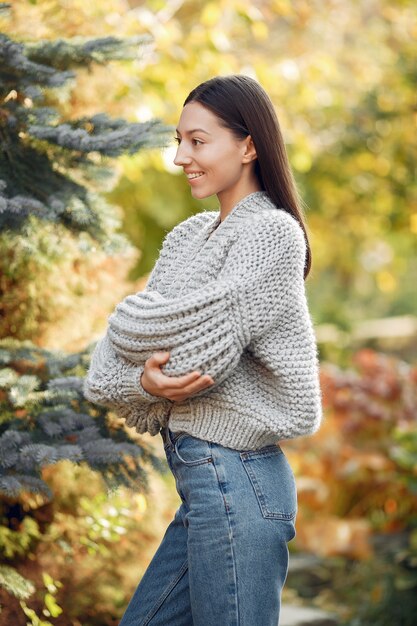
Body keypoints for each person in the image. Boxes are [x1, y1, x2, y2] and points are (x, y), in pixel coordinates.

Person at [83, 74, 322, 626]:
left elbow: (199, 359)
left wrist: (126, 320)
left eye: (197, 141)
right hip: (206, 492)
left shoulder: (273, 234)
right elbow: (103, 372)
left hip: (239, 482)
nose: (180, 157)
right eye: (178, 140)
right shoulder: (186, 238)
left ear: (248, 145)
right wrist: (143, 381)